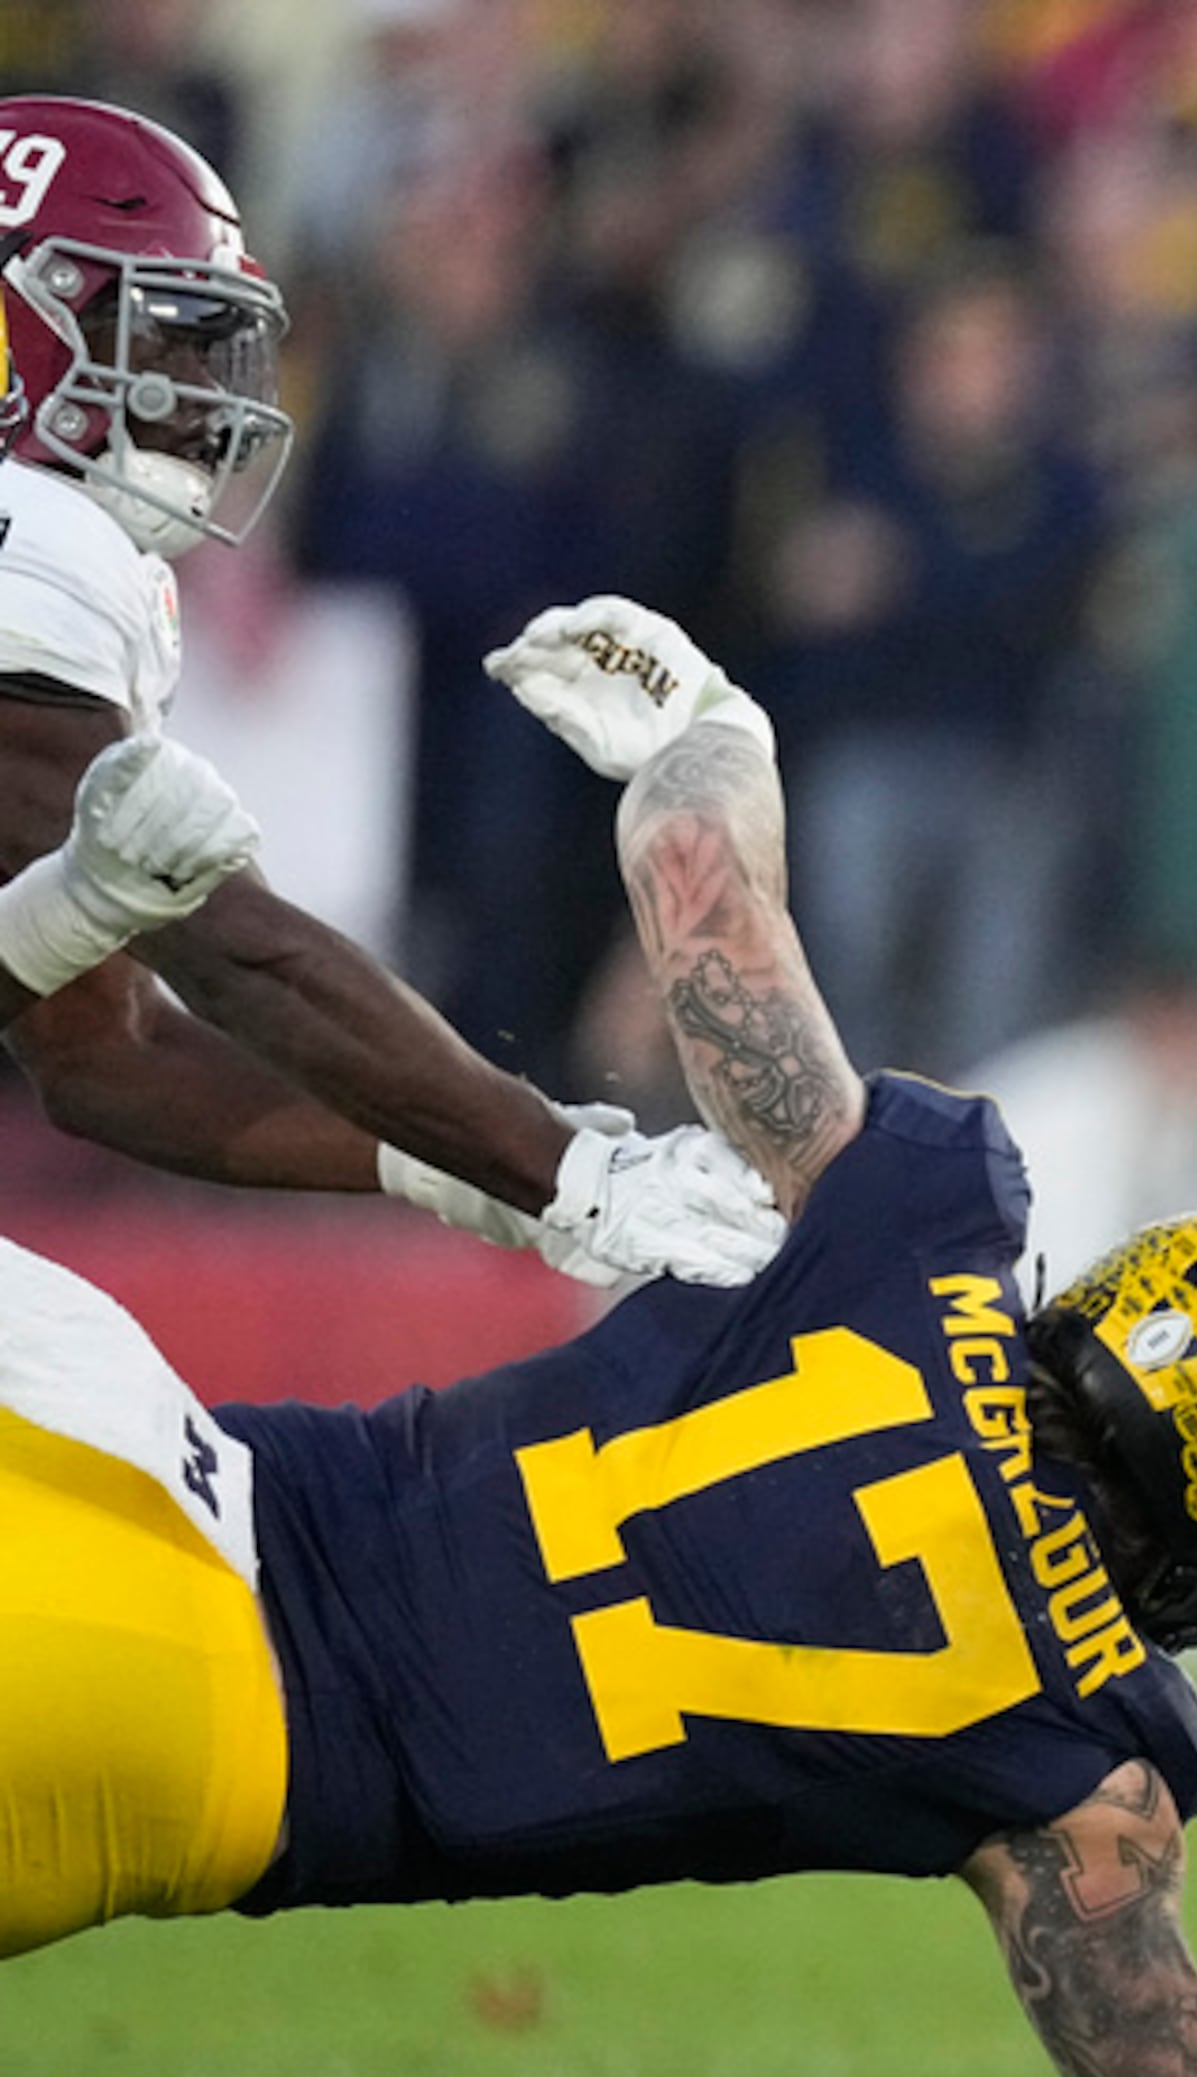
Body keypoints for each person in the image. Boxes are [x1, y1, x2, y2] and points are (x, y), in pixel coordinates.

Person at [0, 595, 1197, 2077]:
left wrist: (708, 734)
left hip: (116, 1443)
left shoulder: (911, 1236)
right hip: (189, 1742)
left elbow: (703, 891)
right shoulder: (1081, 1764)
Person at [0, 94, 778, 1292]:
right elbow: (226, 956)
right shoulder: (34, 541)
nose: (201, 388)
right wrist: (564, 1172)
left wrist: (462, 1165)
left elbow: (107, 1052)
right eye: (156, 334)